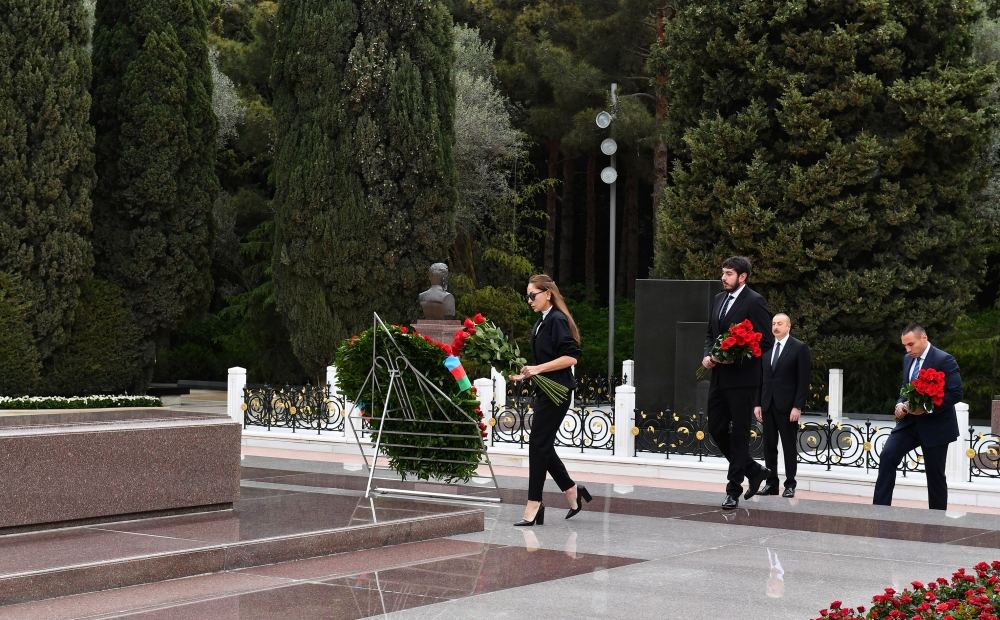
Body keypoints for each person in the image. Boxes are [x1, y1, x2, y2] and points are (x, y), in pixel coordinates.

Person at [510, 274, 590, 526]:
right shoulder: (541, 321)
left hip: (559, 392)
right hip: (546, 391)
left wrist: (538, 369)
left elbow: (572, 357)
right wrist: (526, 372)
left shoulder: (556, 319)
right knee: (542, 444)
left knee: (537, 444)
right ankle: (571, 490)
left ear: (548, 294)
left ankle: (535, 502)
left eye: (533, 295)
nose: (529, 300)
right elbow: (542, 362)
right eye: (527, 296)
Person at [702, 256, 774, 509]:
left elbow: (765, 342)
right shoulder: (718, 299)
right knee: (716, 428)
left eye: (729, 273)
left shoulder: (755, 301)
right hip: (719, 378)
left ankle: (733, 489)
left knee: (740, 434)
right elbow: (710, 333)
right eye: (723, 272)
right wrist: (709, 354)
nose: (724, 277)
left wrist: (735, 356)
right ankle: (753, 470)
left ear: (742, 277)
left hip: (743, 379)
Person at [873, 323, 962, 510]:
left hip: (936, 425)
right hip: (909, 424)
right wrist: (900, 403)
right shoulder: (908, 359)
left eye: (911, 344)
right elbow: (906, 388)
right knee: (888, 455)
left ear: (924, 338)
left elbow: (955, 394)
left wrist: (926, 408)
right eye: (905, 345)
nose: (907, 349)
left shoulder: (944, 360)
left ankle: (937, 520)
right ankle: (879, 510)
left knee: (935, 475)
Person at [754, 313, 811, 498]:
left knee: (788, 447)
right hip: (768, 406)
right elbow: (761, 380)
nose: (775, 327)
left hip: (787, 408)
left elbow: (803, 380)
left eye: (780, 323)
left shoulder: (799, 348)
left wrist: (797, 406)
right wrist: (757, 404)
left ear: (788, 326)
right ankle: (771, 484)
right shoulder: (767, 349)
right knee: (769, 447)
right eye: (773, 324)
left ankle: (790, 484)